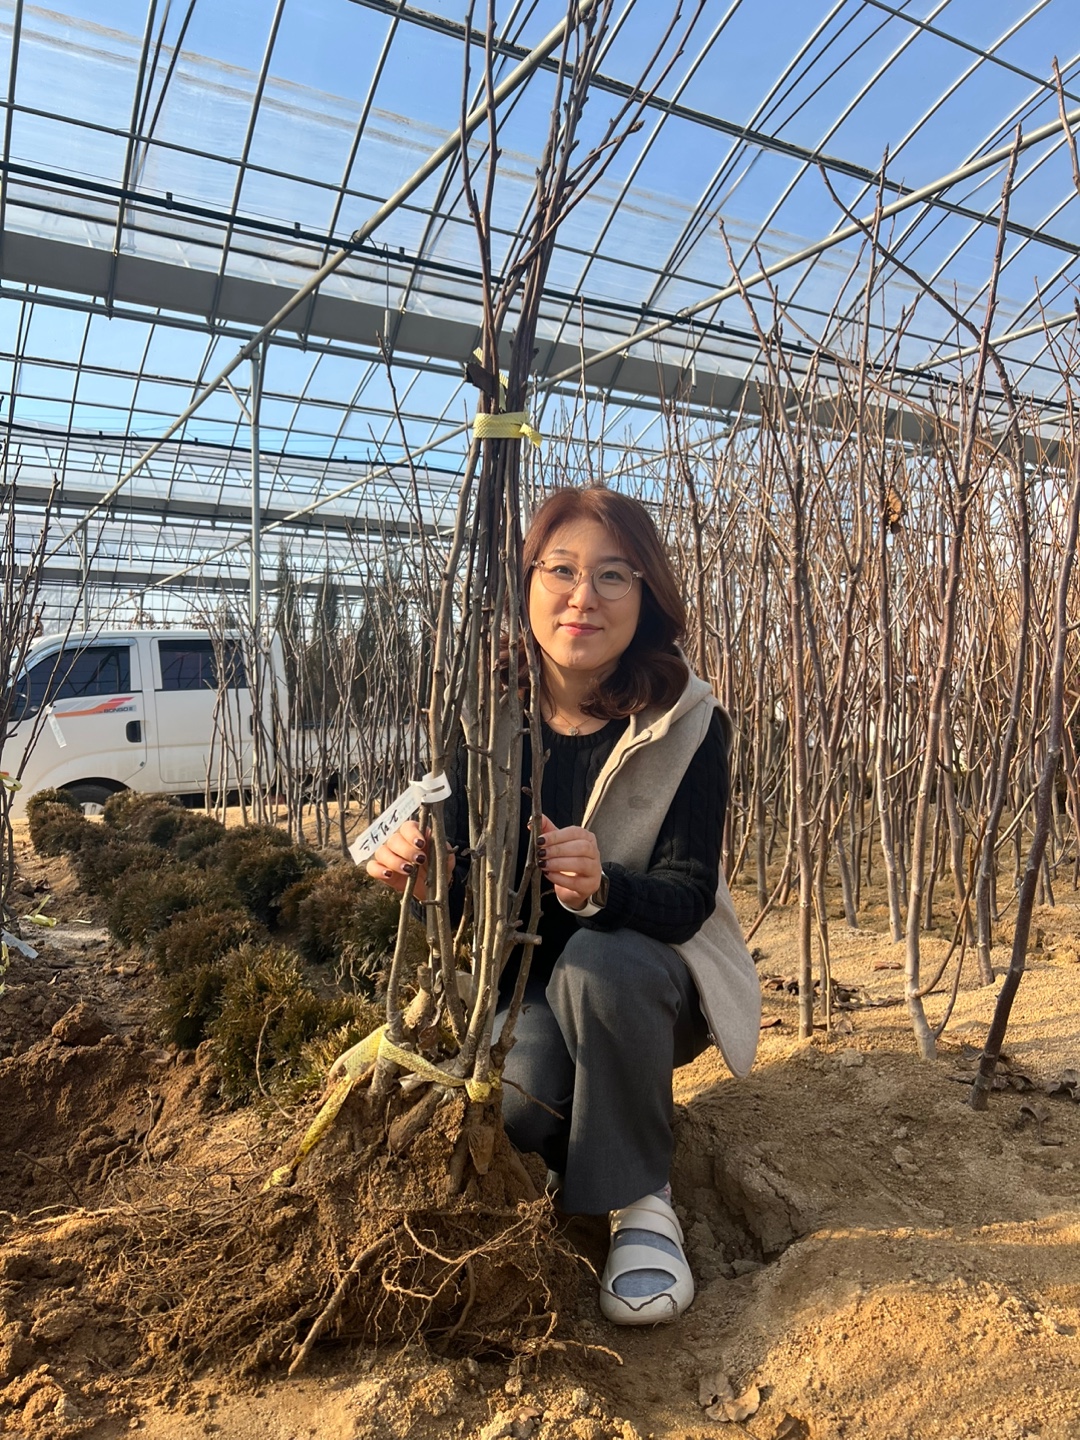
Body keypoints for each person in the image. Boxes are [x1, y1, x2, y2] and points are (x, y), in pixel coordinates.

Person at [366, 486, 760, 1325]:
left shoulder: (688, 722)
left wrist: (605, 886)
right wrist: (425, 877)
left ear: (646, 597)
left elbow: (689, 897)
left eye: (614, 575)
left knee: (599, 963)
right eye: (562, 571)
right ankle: (586, 1139)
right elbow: (466, 891)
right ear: (527, 584)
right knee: (517, 1108)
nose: (584, 597)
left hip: (649, 986)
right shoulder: (483, 722)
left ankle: (642, 1201)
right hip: (527, 994)